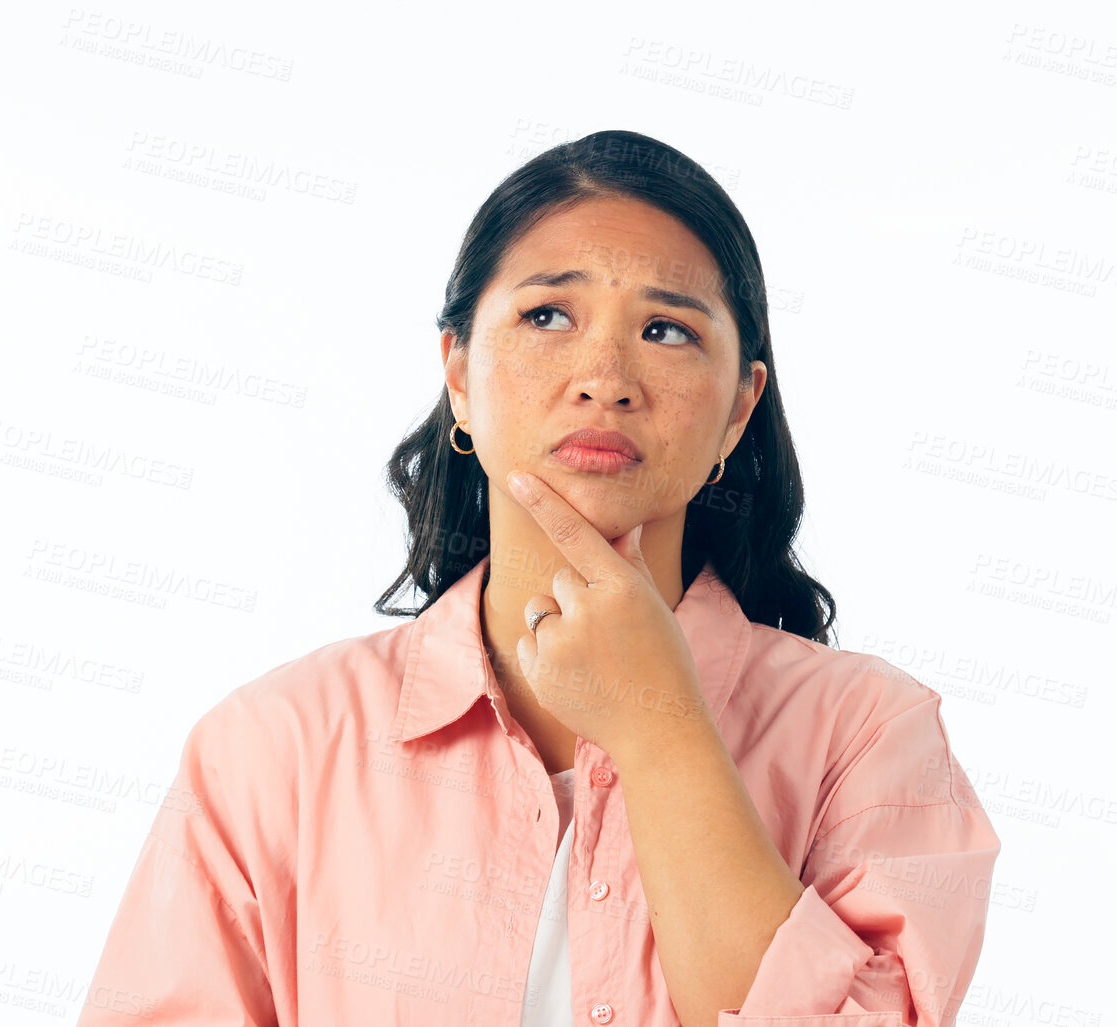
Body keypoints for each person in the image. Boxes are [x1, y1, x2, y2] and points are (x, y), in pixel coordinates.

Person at [75, 129, 1001, 1027]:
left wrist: (660, 727)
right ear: (460, 377)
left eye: (666, 329)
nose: (604, 376)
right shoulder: (275, 746)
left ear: (738, 410)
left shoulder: (869, 737)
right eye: (547, 315)